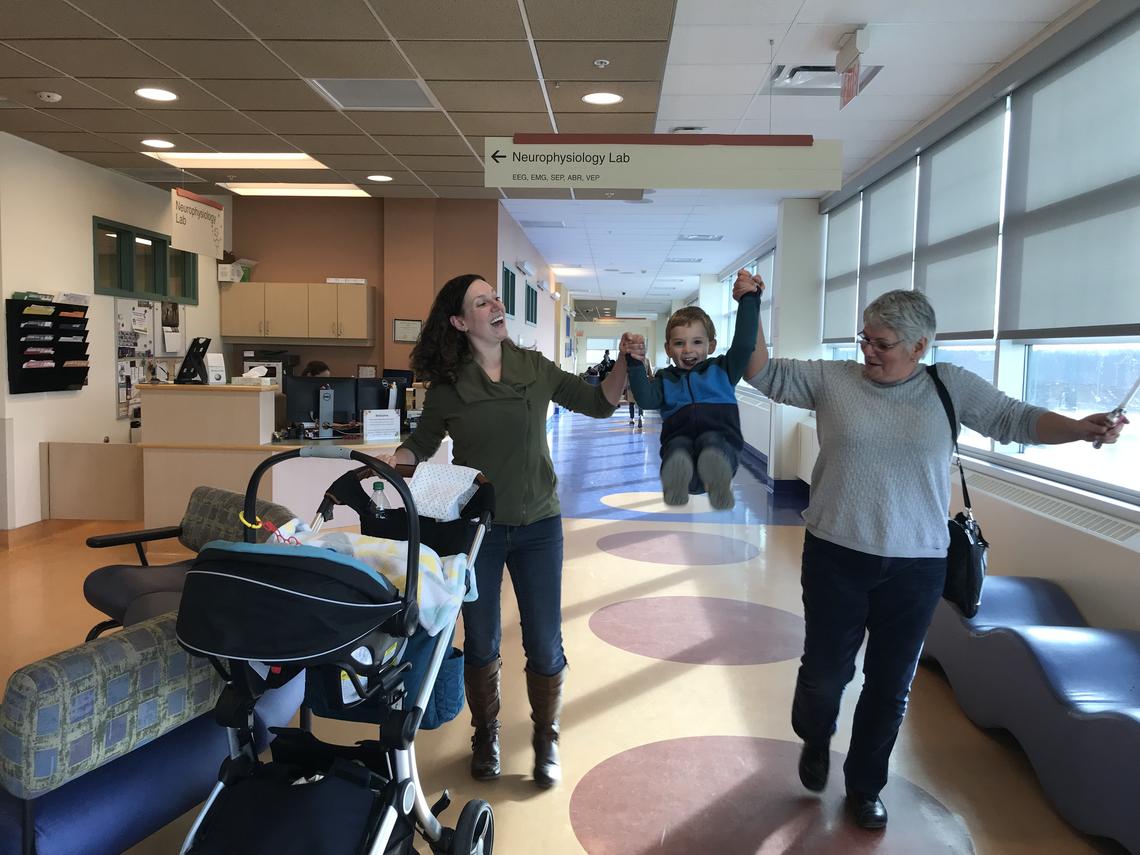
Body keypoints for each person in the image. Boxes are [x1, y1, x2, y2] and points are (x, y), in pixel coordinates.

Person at [737, 270, 1128, 830]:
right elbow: (762, 371)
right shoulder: (834, 380)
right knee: (825, 675)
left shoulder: (950, 386)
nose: (868, 351)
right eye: (864, 339)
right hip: (835, 555)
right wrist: (753, 303)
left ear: (921, 346)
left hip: (918, 565)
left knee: (891, 685)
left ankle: (865, 786)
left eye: (883, 344)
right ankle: (817, 734)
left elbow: (1013, 418)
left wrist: (1078, 428)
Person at [380, 273, 633, 789]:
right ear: (459, 321)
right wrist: (394, 462)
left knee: (543, 641)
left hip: (541, 522)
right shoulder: (450, 387)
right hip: (479, 529)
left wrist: (626, 362)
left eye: (495, 296)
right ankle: (486, 733)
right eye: (482, 301)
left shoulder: (533, 368)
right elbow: (423, 441)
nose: (497, 304)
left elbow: (596, 402)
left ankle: (546, 736)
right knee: (483, 639)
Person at [624, 283, 760, 509]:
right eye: (679, 343)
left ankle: (717, 480)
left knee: (713, 443)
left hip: (720, 439)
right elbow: (646, 399)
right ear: (668, 349)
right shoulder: (665, 379)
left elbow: (745, 344)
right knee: (677, 447)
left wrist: (749, 300)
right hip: (680, 440)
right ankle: (677, 481)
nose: (688, 350)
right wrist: (635, 363)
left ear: (712, 345)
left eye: (697, 342)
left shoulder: (723, 369)